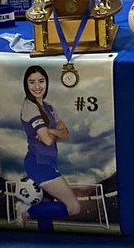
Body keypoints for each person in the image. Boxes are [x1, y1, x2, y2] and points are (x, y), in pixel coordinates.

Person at [19, 66, 80, 229]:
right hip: (38, 164)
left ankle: (44, 238)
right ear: (26, 85)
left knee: (46, 215)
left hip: (48, 163)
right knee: (73, 207)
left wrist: (51, 131)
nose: (37, 86)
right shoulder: (29, 106)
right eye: (32, 82)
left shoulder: (50, 107)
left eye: (41, 81)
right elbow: (46, 141)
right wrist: (53, 133)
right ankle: (28, 211)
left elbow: (66, 133)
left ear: (47, 83)